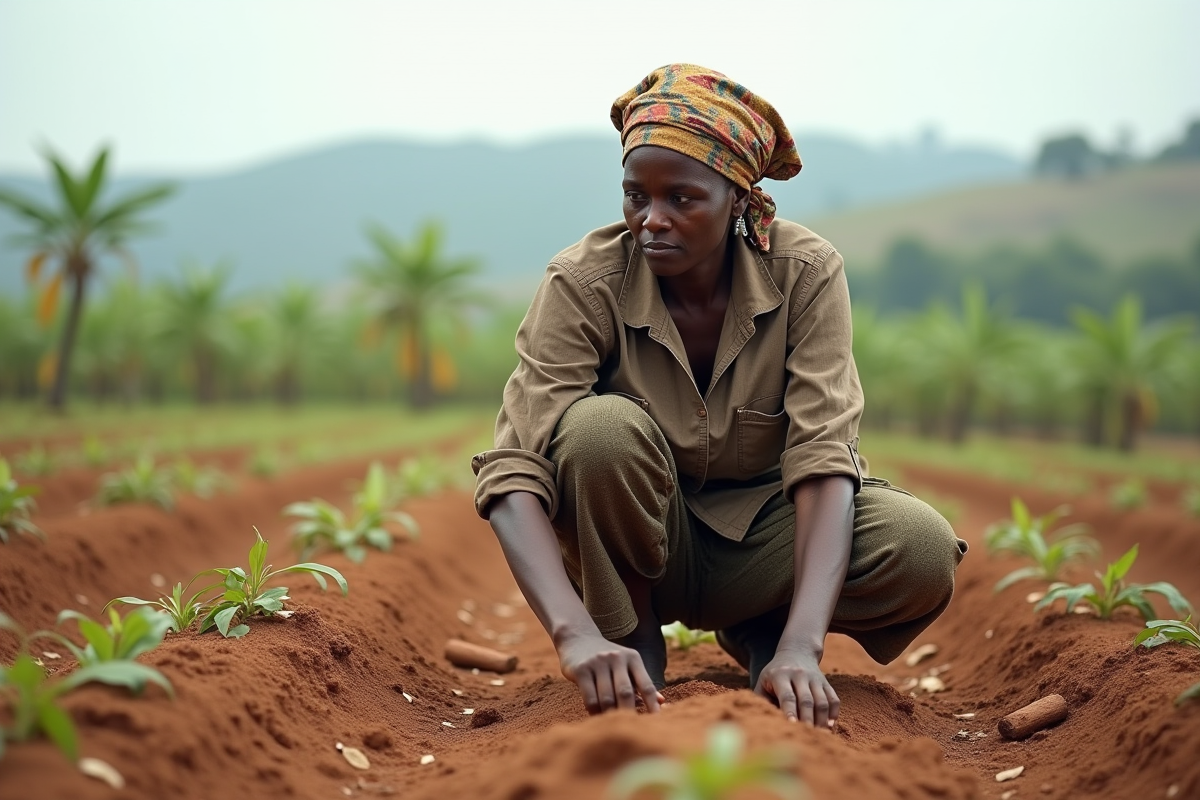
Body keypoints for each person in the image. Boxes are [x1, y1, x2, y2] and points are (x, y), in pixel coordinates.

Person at [471, 64, 967, 729]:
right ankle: (631, 637)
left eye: (682, 198)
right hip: (647, 545)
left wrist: (802, 645)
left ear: (737, 198)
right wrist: (575, 636)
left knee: (921, 549)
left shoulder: (806, 274)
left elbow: (825, 458)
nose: (652, 219)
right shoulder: (583, 281)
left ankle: (764, 628)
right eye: (635, 196)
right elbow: (514, 471)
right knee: (598, 431)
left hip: (767, 542)